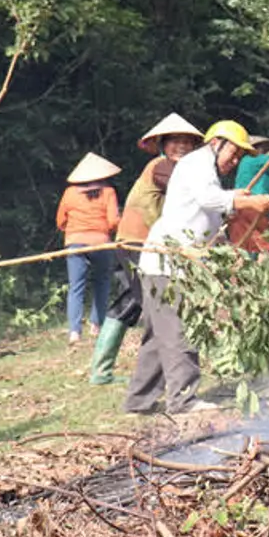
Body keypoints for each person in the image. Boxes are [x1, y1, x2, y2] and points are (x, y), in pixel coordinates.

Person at [123, 120, 269, 415]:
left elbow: (208, 207)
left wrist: (235, 204)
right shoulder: (197, 163)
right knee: (179, 329)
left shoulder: (206, 170)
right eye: (234, 153)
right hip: (168, 262)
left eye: (240, 156)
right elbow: (209, 198)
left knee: (158, 336)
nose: (235, 160)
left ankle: (138, 401)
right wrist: (248, 202)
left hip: (169, 262)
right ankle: (183, 399)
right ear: (217, 142)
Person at [90, 113, 203, 385]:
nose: (182, 146)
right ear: (163, 145)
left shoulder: (175, 168)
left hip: (142, 244)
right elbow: (192, 191)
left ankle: (101, 371)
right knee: (156, 306)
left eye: (187, 142)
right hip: (139, 243)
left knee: (129, 302)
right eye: (175, 142)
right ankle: (158, 371)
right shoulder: (161, 167)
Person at [56, 152, 121, 345]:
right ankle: (96, 325)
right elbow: (113, 222)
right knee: (102, 282)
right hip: (101, 242)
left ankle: (74, 332)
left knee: (76, 286)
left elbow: (60, 221)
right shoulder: (108, 192)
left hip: (74, 243)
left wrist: (73, 231)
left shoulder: (69, 193)